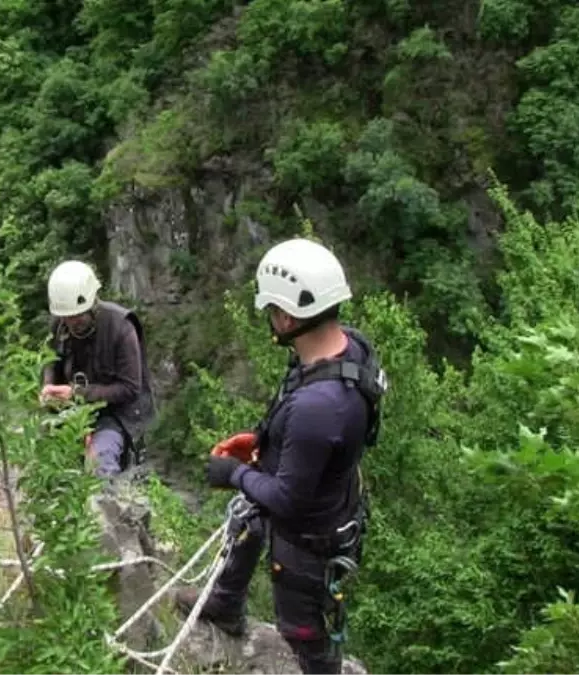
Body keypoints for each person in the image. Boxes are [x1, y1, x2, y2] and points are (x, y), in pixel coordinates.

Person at [174, 238, 386, 675]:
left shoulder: (320, 406)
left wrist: (232, 473)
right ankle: (226, 601)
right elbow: (314, 435)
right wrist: (261, 441)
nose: (270, 319)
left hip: (309, 540)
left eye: (271, 310)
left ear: (287, 316)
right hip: (330, 490)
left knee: (302, 633)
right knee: (249, 520)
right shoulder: (351, 349)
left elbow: (288, 498)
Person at [40, 259, 156, 479]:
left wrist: (76, 394)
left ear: (92, 303)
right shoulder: (59, 325)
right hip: (72, 413)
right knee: (53, 469)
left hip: (116, 415)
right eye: (66, 317)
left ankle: (109, 508)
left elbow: (130, 388)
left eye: (77, 316)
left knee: (101, 465)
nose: (72, 322)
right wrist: (48, 386)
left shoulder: (121, 327)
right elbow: (51, 359)